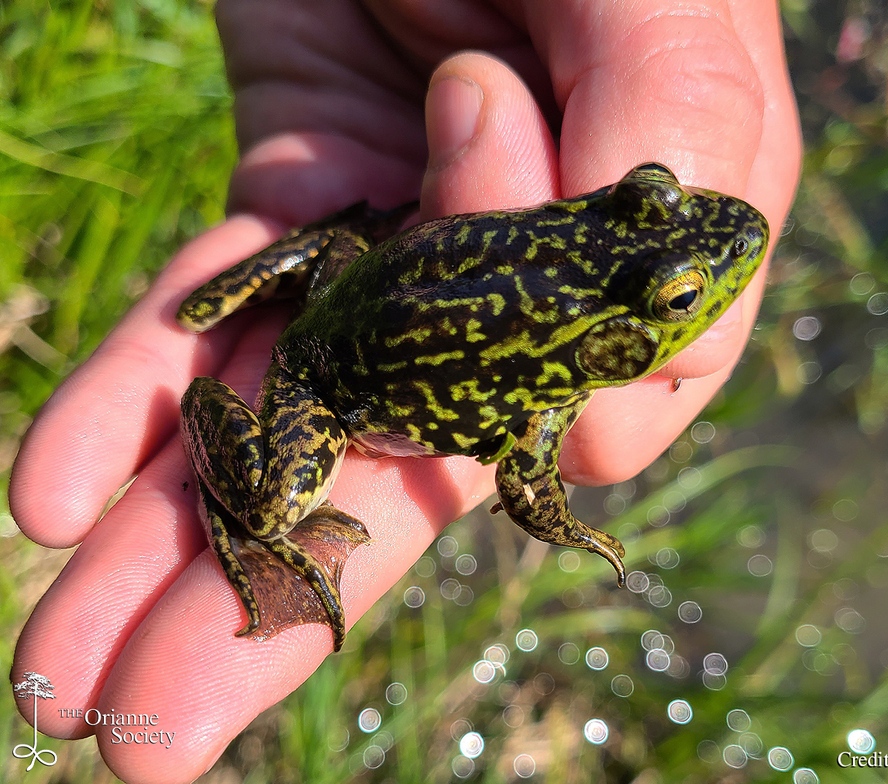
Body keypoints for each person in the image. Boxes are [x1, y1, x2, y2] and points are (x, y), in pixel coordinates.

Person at [10, 1, 801, 780]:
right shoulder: (555, 390)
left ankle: (278, 271)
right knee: (273, 506)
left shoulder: (556, 294)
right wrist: (572, 531)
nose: (724, 221)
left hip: (345, 265)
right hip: (319, 387)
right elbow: (528, 488)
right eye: (682, 300)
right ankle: (238, 528)